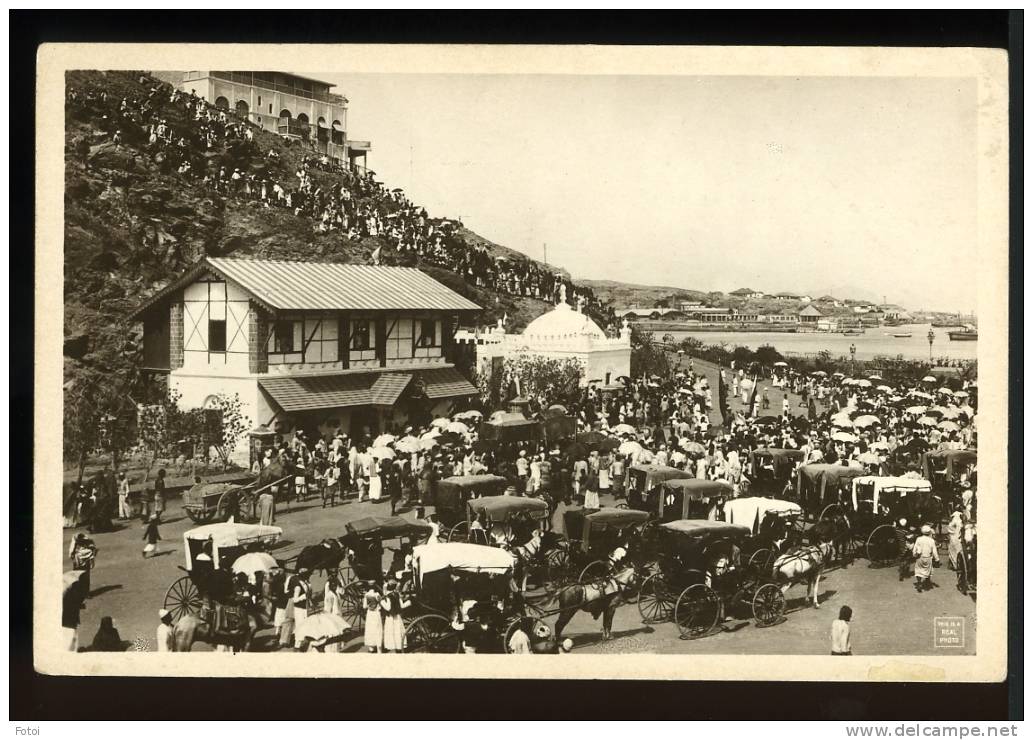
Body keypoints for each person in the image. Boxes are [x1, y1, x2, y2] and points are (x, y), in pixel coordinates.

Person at [380, 579, 409, 653]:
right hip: (397, 617)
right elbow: (402, 606)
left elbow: (388, 608)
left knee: (391, 632)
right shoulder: (397, 595)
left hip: (390, 617)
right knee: (398, 631)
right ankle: (399, 646)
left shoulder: (387, 596)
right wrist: (408, 602)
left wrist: (382, 602)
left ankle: (393, 647)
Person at [912, 525, 940, 592]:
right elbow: (934, 551)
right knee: (928, 570)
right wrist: (937, 559)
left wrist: (914, 554)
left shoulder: (919, 539)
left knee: (918, 570)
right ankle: (927, 581)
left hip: (920, 557)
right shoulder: (931, 540)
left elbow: (915, 548)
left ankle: (919, 582)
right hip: (928, 558)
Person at [363, 584, 384, 652]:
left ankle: (371, 647)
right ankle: (379, 647)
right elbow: (381, 603)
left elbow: (364, 607)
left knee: (370, 630)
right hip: (376, 614)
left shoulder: (366, 595)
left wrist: (369, 606)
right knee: (378, 630)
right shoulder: (377, 594)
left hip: (370, 614)